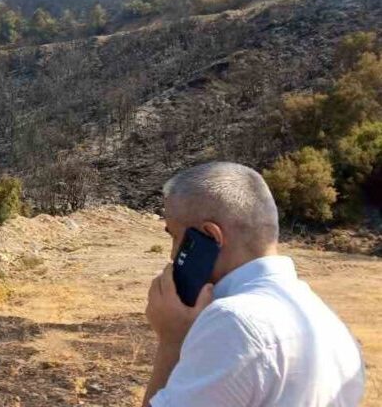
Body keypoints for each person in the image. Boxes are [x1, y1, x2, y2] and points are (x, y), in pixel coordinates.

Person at [142, 162, 365, 407]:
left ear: (211, 237)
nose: (173, 255)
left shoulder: (232, 322)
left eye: (175, 236)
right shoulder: (327, 320)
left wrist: (172, 342)